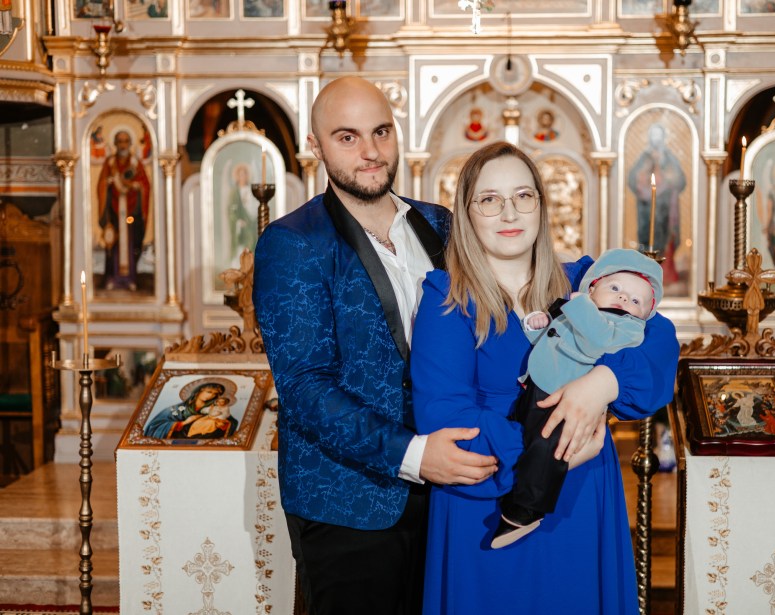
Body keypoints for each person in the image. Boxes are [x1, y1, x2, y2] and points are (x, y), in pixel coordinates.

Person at [252, 77, 498, 615]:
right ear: (315, 146)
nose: (370, 151)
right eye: (348, 137)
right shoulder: (293, 242)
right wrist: (415, 455)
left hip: (450, 494)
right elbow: (305, 387)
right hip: (348, 505)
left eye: (381, 132)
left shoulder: (441, 225)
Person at [411, 141, 679, 614]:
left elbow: (659, 347)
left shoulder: (585, 282)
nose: (509, 212)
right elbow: (446, 419)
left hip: (580, 502)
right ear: (467, 213)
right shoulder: (446, 298)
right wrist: (552, 456)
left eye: (523, 196)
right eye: (489, 199)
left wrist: (603, 383)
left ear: (541, 204)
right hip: (488, 498)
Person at [491, 247, 664, 548]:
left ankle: (527, 509)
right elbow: (553, 339)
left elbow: (598, 341)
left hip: (564, 399)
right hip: (538, 384)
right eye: (615, 288)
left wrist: (580, 304)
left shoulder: (627, 328)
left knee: (548, 445)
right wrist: (536, 326)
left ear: (645, 314)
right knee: (524, 436)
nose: (624, 299)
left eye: (636, 301)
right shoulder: (581, 310)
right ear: (593, 287)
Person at [628, 122, 686, 286]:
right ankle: (643, 278)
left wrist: (666, 175)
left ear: (663, 138)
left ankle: (665, 276)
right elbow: (632, 179)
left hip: (666, 209)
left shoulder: (668, 158)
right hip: (646, 210)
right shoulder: (644, 158)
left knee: (665, 240)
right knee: (645, 239)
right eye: (653, 135)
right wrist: (644, 177)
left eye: (658, 136)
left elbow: (680, 180)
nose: (656, 139)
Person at [96, 129, 151, 291]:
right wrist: (108, 183)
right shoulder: (110, 163)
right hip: (114, 211)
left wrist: (135, 186)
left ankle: (131, 278)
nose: (123, 145)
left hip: (132, 212)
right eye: (120, 141)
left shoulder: (135, 163)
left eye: (126, 141)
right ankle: (111, 277)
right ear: (115, 143)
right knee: (114, 243)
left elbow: (145, 185)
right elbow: (101, 184)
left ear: (130, 143)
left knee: (131, 243)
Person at [144, 381, 225, 439]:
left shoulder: (215, 409)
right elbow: (154, 426)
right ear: (198, 391)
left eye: (215, 394)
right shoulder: (177, 408)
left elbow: (228, 424)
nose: (211, 396)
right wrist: (184, 423)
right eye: (209, 392)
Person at [226, 163, 258, 267]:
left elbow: (255, 205)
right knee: (240, 247)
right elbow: (231, 211)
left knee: (251, 243)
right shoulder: (234, 192)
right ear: (237, 177)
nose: (242, 177)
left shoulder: (251, 190)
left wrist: (252, 217)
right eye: (240, 175)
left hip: (251, 223)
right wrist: (238, 221)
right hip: (240, 226)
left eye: (244, 174)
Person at [169, 397, 237, 439]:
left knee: (210, 423)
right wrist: (209, 410)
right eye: (218, 401)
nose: (220, 403)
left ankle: (204, 432)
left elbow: (226, 415)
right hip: (208, 417)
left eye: (222, 402)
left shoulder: (225, 408)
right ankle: (193, 434)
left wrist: (217, 417)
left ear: (225, 403)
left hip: (218, 420)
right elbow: (204, 410)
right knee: (198, 422)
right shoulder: (213, 406)